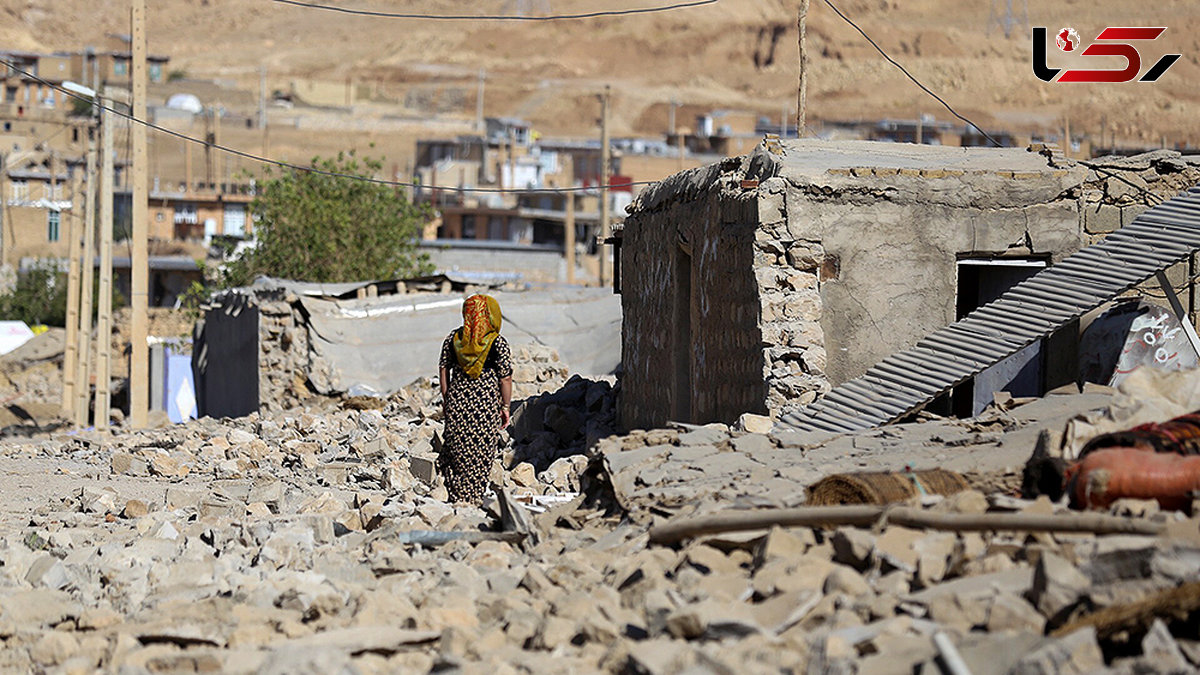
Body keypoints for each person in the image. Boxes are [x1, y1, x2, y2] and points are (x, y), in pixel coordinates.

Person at [438, 294, 513, 504]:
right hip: (486, 405)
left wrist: (447, 399)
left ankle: (457, 496)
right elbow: (505, 378)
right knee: (481, 451)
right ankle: (474, 496)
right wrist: (505, 406)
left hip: (458, 402)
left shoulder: (454, 339)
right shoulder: (497, 343)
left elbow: (443, 368)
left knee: (458, 450)